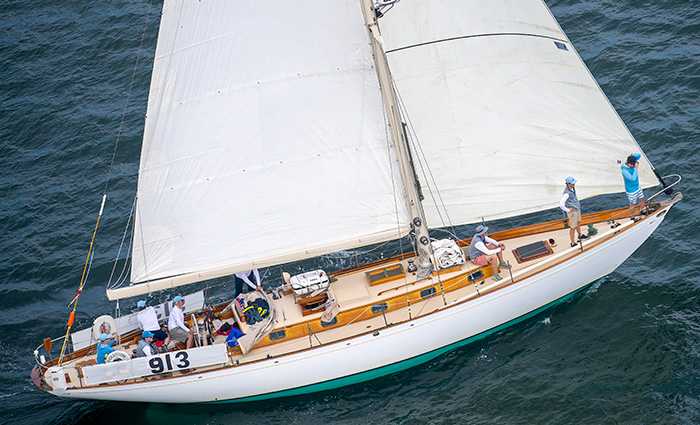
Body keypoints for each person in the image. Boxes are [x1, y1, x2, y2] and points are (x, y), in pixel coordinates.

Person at [559, 176, 589, 247]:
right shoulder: (566, 193)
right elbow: (561, 204)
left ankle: (580, 235)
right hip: (573, 212)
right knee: (573, 227)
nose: (574, 184)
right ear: (568, 184)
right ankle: (572, 243)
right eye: (572, 183)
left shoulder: (572, 188)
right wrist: (568, 210)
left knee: (578, 222)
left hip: (576, 208)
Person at [621, 154, 646, 220]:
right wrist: (635, 168)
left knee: (642, 198)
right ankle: (632, 217)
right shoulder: (625, 171)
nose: (634, 165)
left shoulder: (632, 164)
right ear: (629, 164)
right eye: (633, 164)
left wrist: (632, 155)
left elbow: (639, 155)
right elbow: (633, 178)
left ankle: (644, 211)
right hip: (631, 190)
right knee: (633, 204)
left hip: (637, 187)